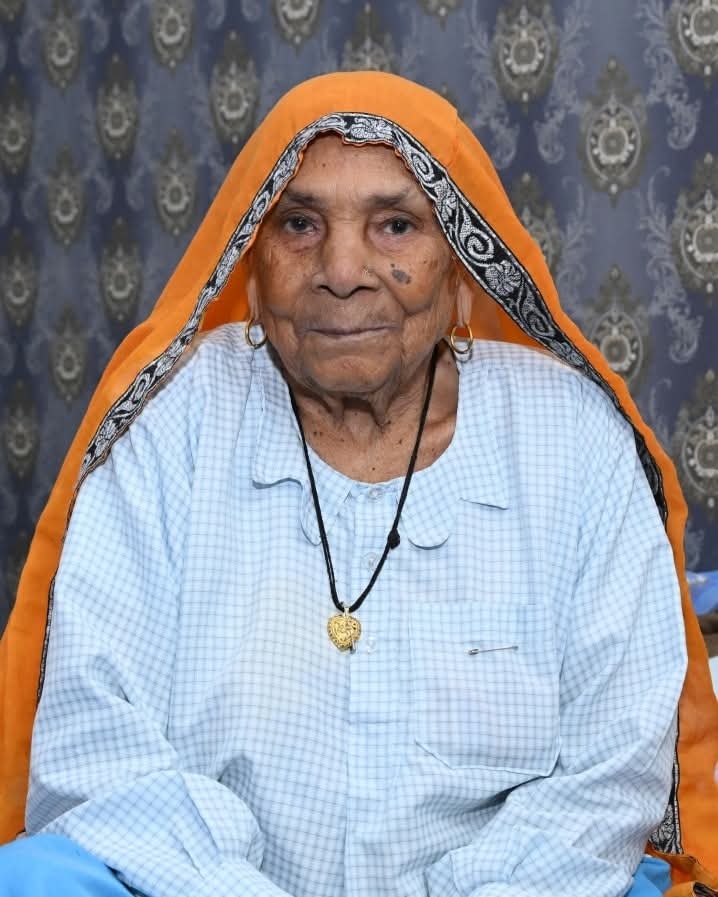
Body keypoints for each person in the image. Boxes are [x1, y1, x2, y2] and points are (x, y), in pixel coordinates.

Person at [0, 71, 717, 897]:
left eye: (395, 225)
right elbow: (97, 743)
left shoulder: (572, 437)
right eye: (300, 224)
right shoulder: (173, 417)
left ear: (459, 266)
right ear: (251, 262)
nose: (342, 270)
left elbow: (611, 773)